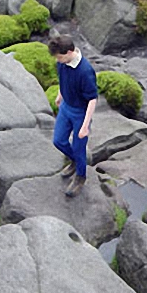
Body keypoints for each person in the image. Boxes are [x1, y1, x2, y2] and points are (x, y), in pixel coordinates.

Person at [48, 34, 98, 197]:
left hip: (80, 113)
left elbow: (92, 99)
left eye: (60, 57)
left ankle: (80, 176)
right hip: (65, 107)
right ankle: (75, 161)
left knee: (79, 147)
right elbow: (63, 80)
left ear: (70, 52)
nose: (58, 60)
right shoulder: (62, 63)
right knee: (59, 141)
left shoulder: (85, 71)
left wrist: (85, 126)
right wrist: (60, 95)